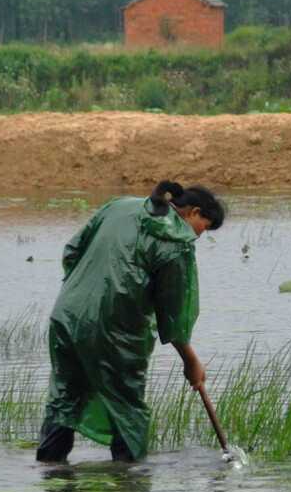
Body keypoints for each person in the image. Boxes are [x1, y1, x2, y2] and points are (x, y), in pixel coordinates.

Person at [36, 180, 226, 463]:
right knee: (127, 410)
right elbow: (174, 316)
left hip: (66, 317)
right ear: (194, 212)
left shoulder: (121, 206)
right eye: (205, 227)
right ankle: (130, 487)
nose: (200, 235)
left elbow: (73, 251)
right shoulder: (177, 242)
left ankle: (51, 475)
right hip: (113, 332)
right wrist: (191, 362)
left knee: (65, 400)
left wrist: (84, 294)